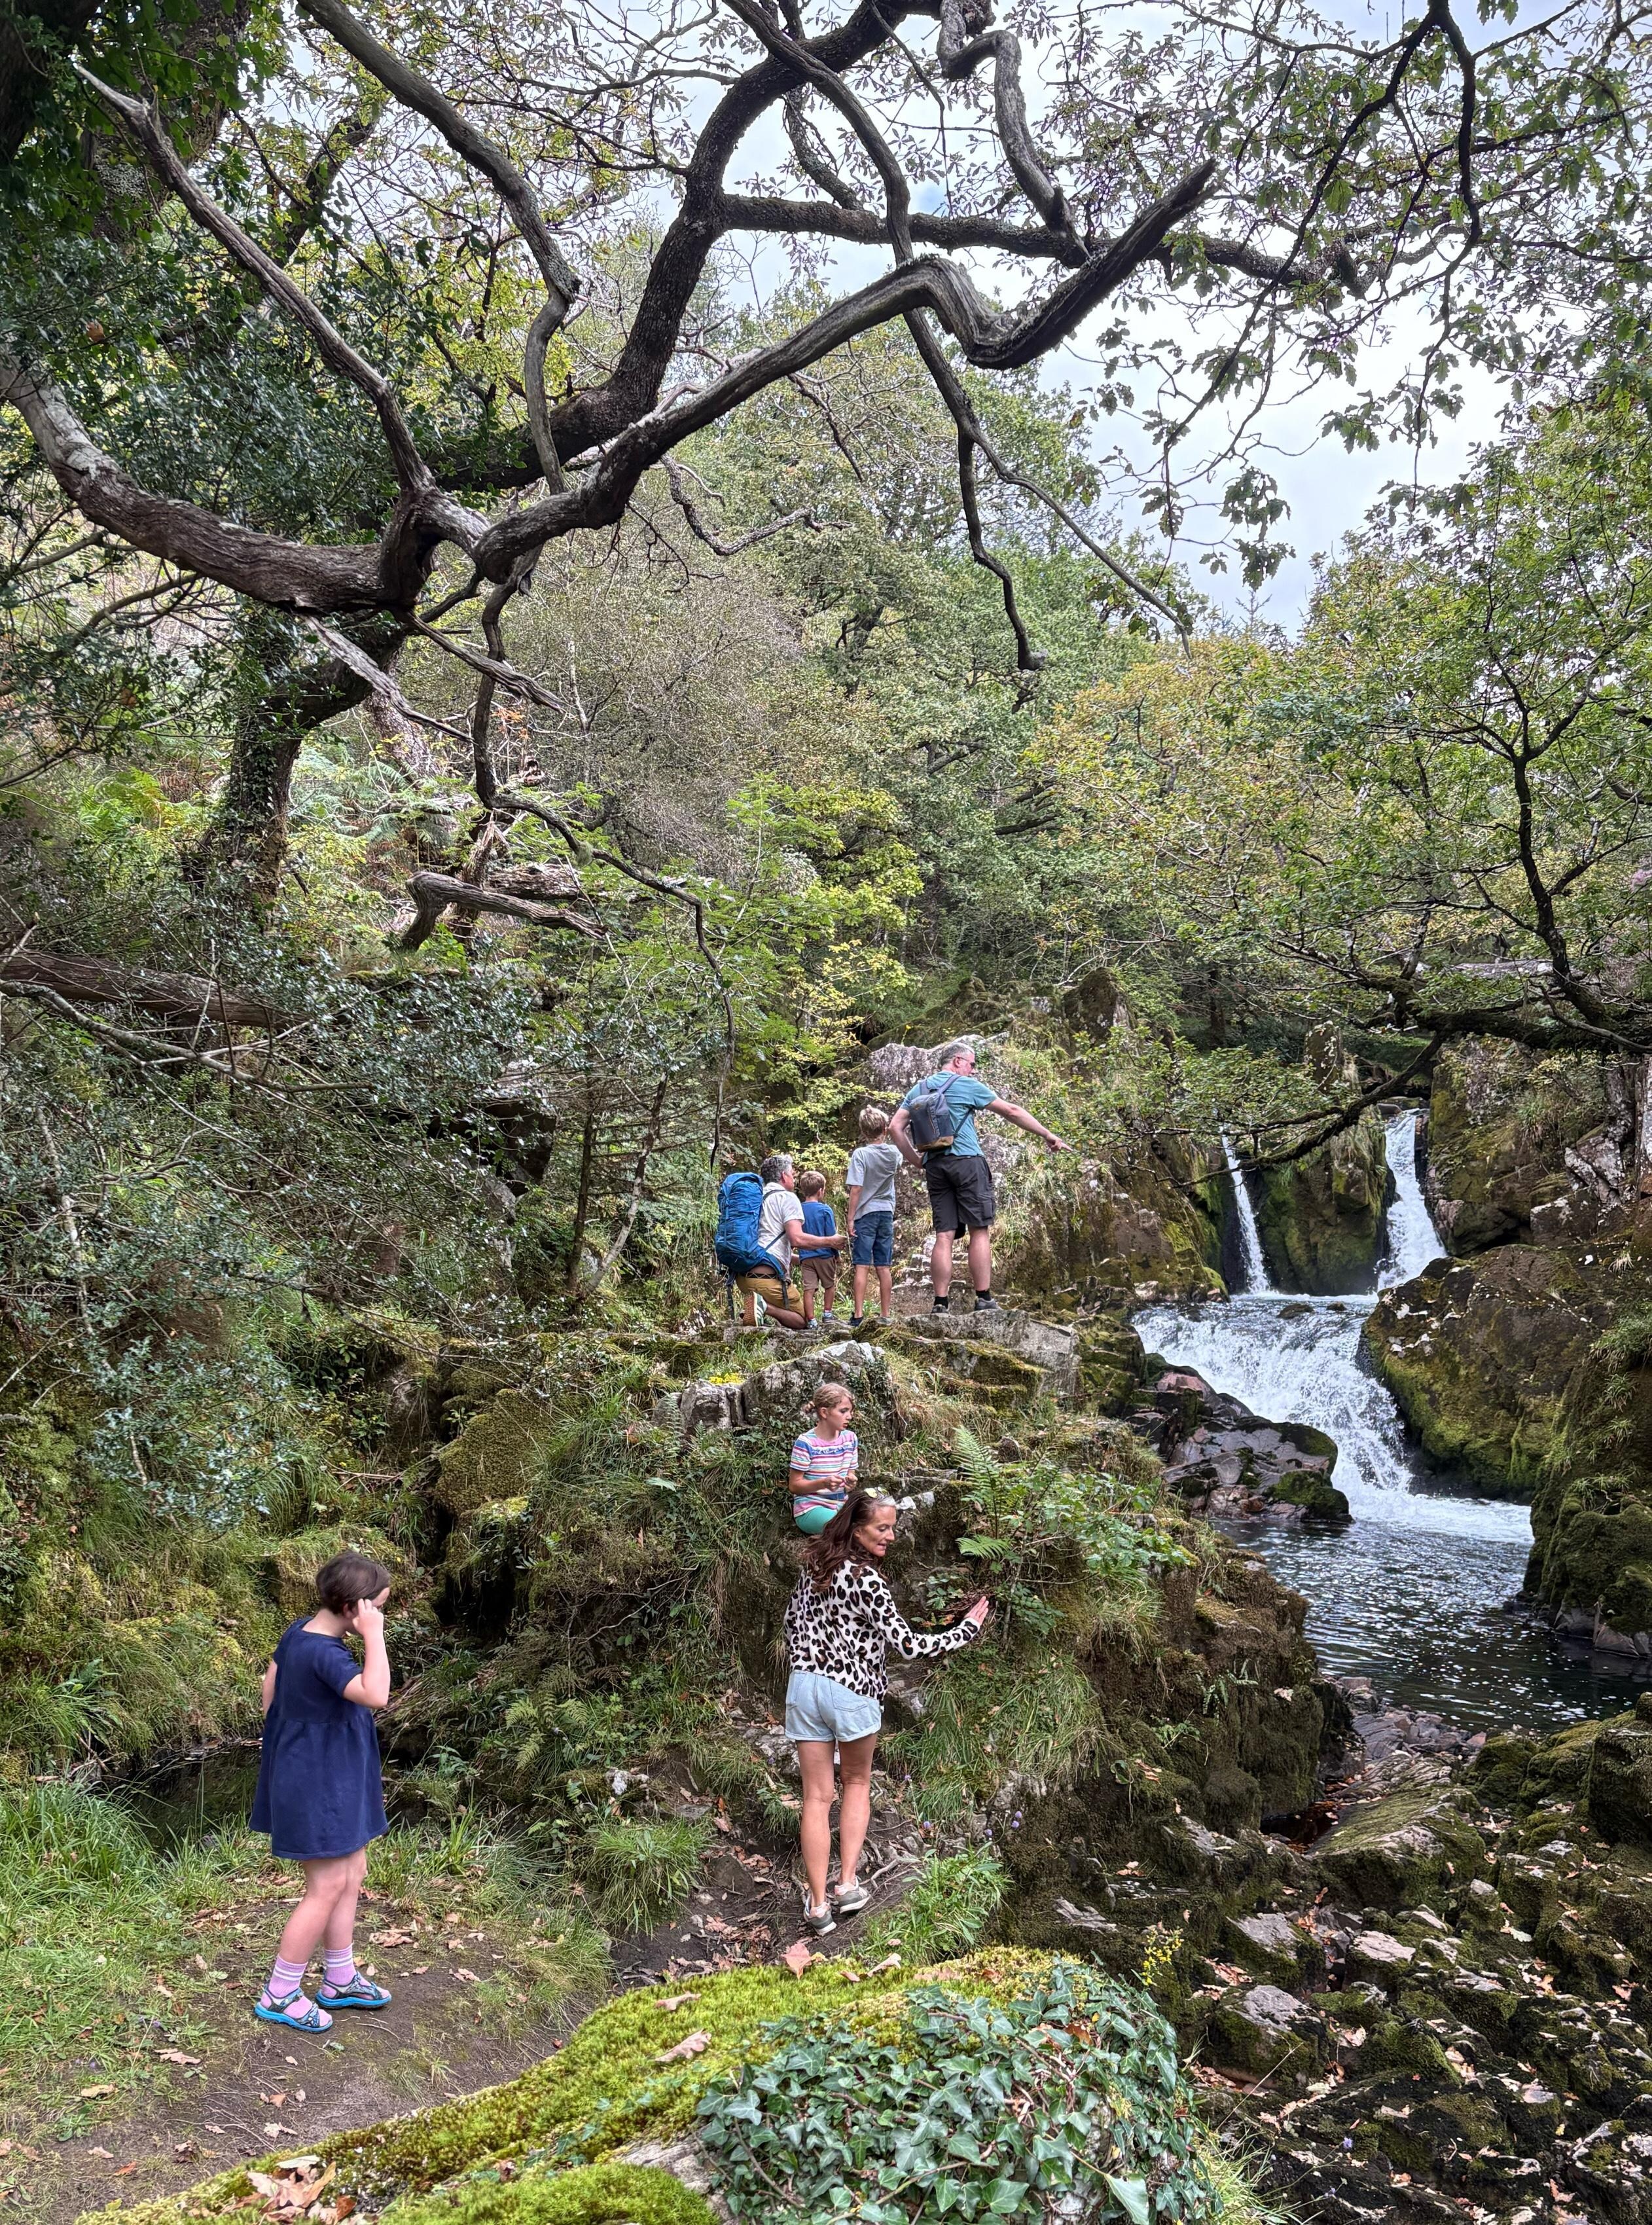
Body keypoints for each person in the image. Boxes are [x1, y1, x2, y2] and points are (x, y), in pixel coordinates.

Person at [783, 1488, 990, 1934]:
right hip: (852, 1690)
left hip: (803, 1686)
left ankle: (817, 1908)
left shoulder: (813, 1566)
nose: (891, 1536)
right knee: (856, 1782)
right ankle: (847, 1885)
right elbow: (909, 1645)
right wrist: (966, 1630)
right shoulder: (867, 1581)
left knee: (816, 1797)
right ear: (857, 1528)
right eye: (882, 1528)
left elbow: (790, 1624)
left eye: (892, 1527)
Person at [250, 1551, 395, 2033]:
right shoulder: (326, 1654)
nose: (380, 1615)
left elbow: (271, 1683)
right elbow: (376, 1694)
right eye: (377, 1607)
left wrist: (287, 1737)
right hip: (319, 1785)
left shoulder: (298, 1633)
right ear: (354, 1607)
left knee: (352, 1872)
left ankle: (339, 1976)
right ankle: (280, 1992)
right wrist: (374, 1637)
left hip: (330, 1775)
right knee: (327, 1885)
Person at [887, 1039, 1071, 1315]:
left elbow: (895, 1127)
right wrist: (1047, 1134)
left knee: (944, 1234)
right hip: (968, 1162)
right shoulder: (966, 1085)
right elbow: (1011, 1111)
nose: (973, 1070)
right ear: (958, 1061)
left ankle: (940, 1304)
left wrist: (917, 1160)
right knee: (979, 1229)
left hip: (936, 1166)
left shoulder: (919, 1089)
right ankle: (984, 1299)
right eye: (972, 1064)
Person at [845, 1106, 905, 1326]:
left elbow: (856, 1189)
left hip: (865, 1214)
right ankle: (885, 1314)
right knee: (883, 1265)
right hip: (886, 1212)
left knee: (862, 1264)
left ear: (863, 1132)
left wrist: (851, 1218)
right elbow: (900, 1159)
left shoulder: (861, 1155)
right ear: (885, 1129)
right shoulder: (894, 1153)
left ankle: (858, 1314)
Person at [736, 1155, 808, 1331]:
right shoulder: (787, 1198)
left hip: (742, 1278)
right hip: (767, 1281)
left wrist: (801, 1260)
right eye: (792, 1174)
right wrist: (831, 1242)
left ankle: (756, 1305)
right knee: (804, 1319)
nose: (794, 1178)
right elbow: (797, 1239)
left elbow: (766, 1245)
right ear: (784, 1176)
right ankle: (765, 1306)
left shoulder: (754, 1198)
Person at [788, 1382, 859, 1535]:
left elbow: (850, 1478)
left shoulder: (850, 1439)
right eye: (843, 1411)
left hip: (841, 1505)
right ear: (824, 1412)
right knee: (847, 1529)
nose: (849, 1417)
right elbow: (794, 1486)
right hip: (811, 1508)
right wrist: (823, 1483)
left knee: (871, 1521)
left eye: (850, 1411)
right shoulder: (806, 1443)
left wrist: (851, 1482)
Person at [795, 1170, 841, 1327]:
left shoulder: (798, 1209)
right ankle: (827, 1314)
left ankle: (811, 1320)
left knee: (809, 1289)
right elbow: (832, 1237)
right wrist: (837, 1255)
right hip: (825, 1256)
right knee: (829, 1286)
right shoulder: (825, 1210)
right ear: (821, 1191)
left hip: (806, 1257)